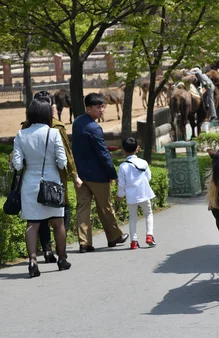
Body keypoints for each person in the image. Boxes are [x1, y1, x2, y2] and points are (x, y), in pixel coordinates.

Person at [11, 99, 71, 277]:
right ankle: (61, 259)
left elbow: (17, 164)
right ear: (47, 114)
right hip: (51, 183)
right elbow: (62, 161)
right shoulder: (53, 134)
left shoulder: (21, 135)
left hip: (30, 184)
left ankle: (32, 261)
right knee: (58, 223)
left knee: (32, 224)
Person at [27, 91, 83, 264]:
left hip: (31, 181)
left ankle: (46, 250)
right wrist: (74, 175)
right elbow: (66, 155)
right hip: (55, 179)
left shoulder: (24, 128)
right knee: (60, 216)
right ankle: (61, 254)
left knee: (37, 218)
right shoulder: (57, 127)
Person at [72, 93, 129, 253]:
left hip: (81, 173)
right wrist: (113, 174)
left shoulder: (77, 122)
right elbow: (103, 154)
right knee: (105, 207)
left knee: (83, 208)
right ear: (88, 108)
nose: (102, 110)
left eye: (103, 106)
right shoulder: (94, 127)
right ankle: (114, 236)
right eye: (98, 107)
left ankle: (84, 243)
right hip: (97, 175)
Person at [116, 137, 156, 250]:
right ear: (137, 149)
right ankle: (149, 236)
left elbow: (121, 184)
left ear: (123, 150)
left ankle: (134, 241)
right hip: (144, 193)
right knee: (148, 214)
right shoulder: (143, 162)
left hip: (131, 196)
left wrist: (120, 195)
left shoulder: (122, 166)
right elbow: (148, 177)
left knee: (133, 217)